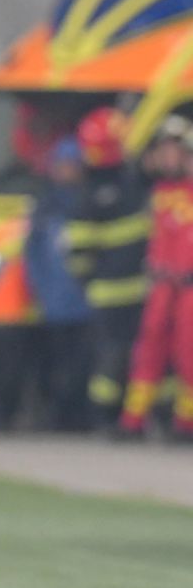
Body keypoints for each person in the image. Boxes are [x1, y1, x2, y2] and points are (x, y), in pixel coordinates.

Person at [65, 107, 150, 431]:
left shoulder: (119, 183)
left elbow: (79, 257)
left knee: (128, 353)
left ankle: (123, 414)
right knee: (114, 355)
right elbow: (80, 252)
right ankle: (104, 415)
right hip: (116, 292)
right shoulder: (105, 190)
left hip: (131, 288)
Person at [119, 120, 193, 440]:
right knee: (148, 348)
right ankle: (133, 420)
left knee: (189, 350)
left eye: (174, 151)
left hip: (190, 285)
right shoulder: (157, 190)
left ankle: (186, 422)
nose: (167, 158)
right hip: (162, 284)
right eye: (162, 151)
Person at [23, 137, 93, 431]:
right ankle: (56, 415)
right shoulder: (46, 206)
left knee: (83, 361)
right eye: (62, 165)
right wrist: (39, 289)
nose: (66, 171)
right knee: (55, 361)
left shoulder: (88, 201)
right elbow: (34, 253)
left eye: (72, 165)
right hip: (54, 299)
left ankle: (78, 414)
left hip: (85, 300)